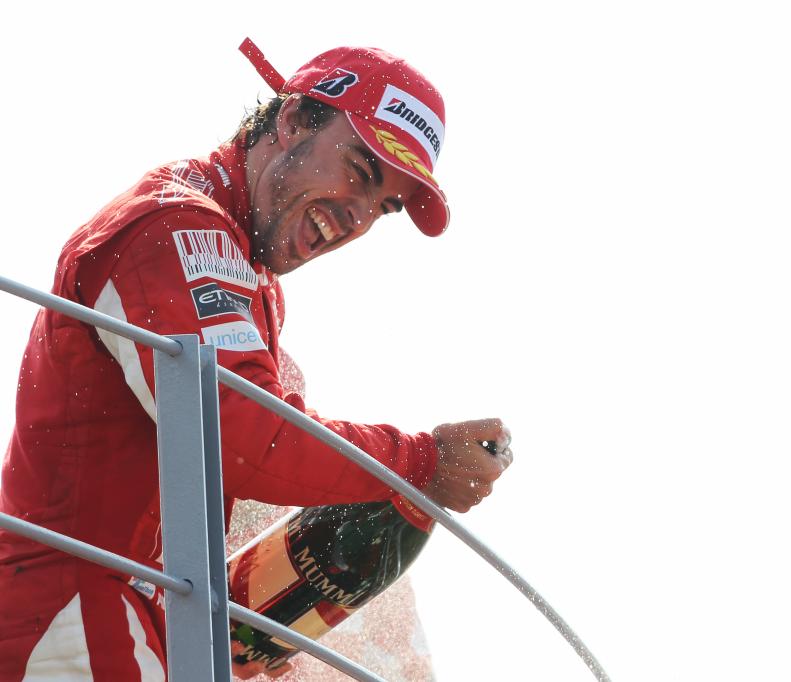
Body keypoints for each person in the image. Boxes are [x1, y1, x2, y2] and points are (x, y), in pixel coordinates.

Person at [0, 37, 512, 681]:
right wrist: (418, 462)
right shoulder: (177, 226)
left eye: (383, 207)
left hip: (125, 612)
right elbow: (239, 437)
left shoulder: (242, 262)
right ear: (293, 118)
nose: (358, 217)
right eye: (359, 169)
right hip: (72, 609)